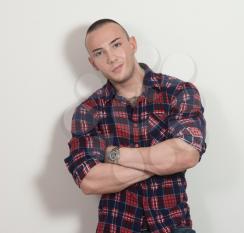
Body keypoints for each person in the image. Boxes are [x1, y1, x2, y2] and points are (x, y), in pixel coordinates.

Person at [64, 18, 207, 233]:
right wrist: (160, 162)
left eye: (116, 44)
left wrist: (112, 154)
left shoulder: (178, 91)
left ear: (132, 44)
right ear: (93, 62)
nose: (111, 58)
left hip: (172, 226)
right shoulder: (88, 111)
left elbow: (186, 156)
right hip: (116, 227)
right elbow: (89, 181)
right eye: (99, 53)